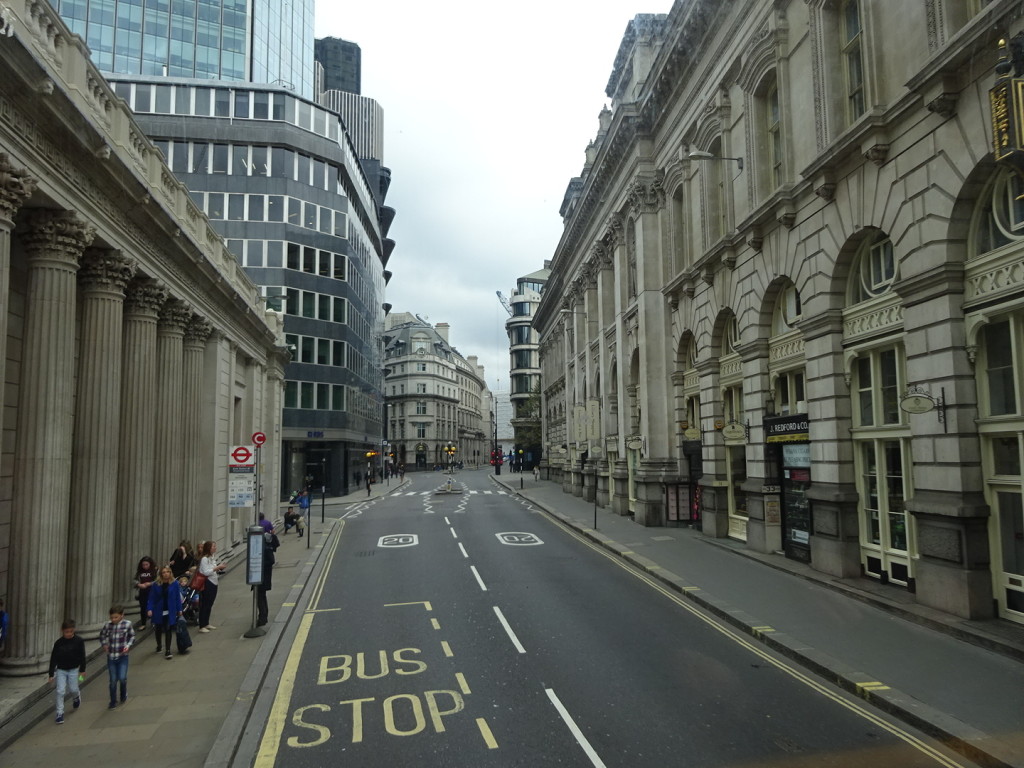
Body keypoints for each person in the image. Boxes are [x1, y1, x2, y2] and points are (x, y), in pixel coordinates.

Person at [47, 619, 86, 724]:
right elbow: (53, 658)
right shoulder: (58, 643)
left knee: (73, 689)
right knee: (60, 691)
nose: (68, 634)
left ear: (74, 630)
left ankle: (76, 696)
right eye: (66, 632)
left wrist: (82, 670)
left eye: (71, 632)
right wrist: (51, 674)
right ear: (62, 631)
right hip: (61, 670)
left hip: (73, 669)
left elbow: (82, 656)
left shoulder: (79, 641)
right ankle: (59, 713)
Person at [99, 605, 135, 709]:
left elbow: (132, 636)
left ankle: (123, 694)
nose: (113, 619)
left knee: (122, 678)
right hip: (111, 657)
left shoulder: (127, 624)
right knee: (113, 680)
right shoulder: (108, 626)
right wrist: (105, 645)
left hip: (123, 656)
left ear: (121, 616)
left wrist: (128, 646)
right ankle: (113, 701)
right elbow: (102, 636)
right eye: (112, 617)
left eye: (116, 617)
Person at [147, 566, 183, 660]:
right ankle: (159, 645)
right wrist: (149, 609)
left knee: (168, 629)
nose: (166, 573)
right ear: (161, 574)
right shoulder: (156, 584)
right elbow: (151, 598)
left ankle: (168, 650)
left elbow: (177, 598)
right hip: (158, 610)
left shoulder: (175, 583)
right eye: (164, 572)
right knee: (158, 629)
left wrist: (179, 610)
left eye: (168, 572)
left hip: (170, 610)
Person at [197, 540, 226, 633]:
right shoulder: (204, 559)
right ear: (209, 548)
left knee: (210, 603)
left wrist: (219, 568)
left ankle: (206, 622)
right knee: (205, 604)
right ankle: (202, 625)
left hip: (214, 581)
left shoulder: (212, 557)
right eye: (213, 546)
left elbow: (213, 568)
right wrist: (217, 567)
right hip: (208, 582)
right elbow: (206, 572)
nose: (215, 548)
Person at [255, 530, 276, 626]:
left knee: (260, 596)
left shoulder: (266, 548)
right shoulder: (263, 547)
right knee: (261, 596)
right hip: (260, 576)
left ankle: (263, 618)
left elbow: (271, 561)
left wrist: (260, 565)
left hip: (264, 577)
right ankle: (263, 616)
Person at [133, 556, 157, 630]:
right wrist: (139, 584)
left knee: (153, 607)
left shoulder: (155, 571)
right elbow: (135, 580)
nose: (145, 566)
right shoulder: (140, 572)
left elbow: (158, 580)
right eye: (143, 565)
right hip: (143, 591)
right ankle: (143, 623)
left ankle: (154, 621)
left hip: (152, 591)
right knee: (143, 608)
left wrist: (150, 583)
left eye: (147, 564)